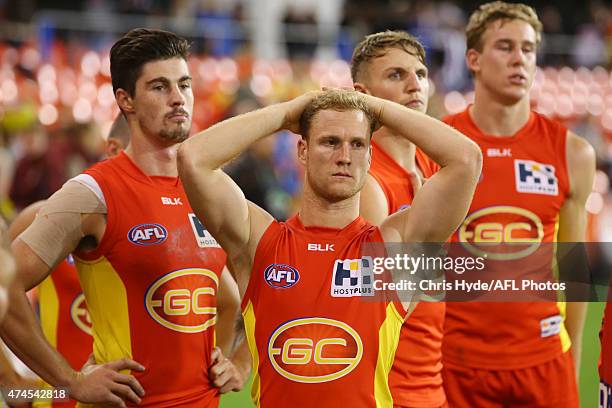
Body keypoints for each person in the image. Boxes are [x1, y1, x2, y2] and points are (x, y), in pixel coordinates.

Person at [177, 88, 482, 406]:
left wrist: (375, 106)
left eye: (358, 144)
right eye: (330, 142)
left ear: (369, 157)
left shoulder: (390, 249)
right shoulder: (261, 242)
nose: (345, 156)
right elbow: (193, 158)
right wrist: (286, 113)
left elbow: (466, 159)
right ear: (303, 151)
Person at [0, 28, 246, 407]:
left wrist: (236, 361)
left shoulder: (209, 191)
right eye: (159, 87)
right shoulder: (91, 193)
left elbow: (239, 295)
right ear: (125, 100)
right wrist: (68, 381)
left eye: (184, 84)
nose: (178, 98)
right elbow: (5, 288)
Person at [441, 2, 596, 407]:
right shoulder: (439, 145)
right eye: (505, 47)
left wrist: (571, 358)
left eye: (527, 49)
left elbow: (574, 268)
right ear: (473, 59)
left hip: (543, 361)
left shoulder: (572, 152)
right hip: (454, 363)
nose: (519, 59)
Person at [352, 31, 446, 408]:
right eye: (396, 75)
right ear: (363, 92)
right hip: (388, 391)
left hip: (432, 381)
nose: (414, 84)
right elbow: (367, 302)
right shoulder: (366, 183)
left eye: (421, 74)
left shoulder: (432, 166)